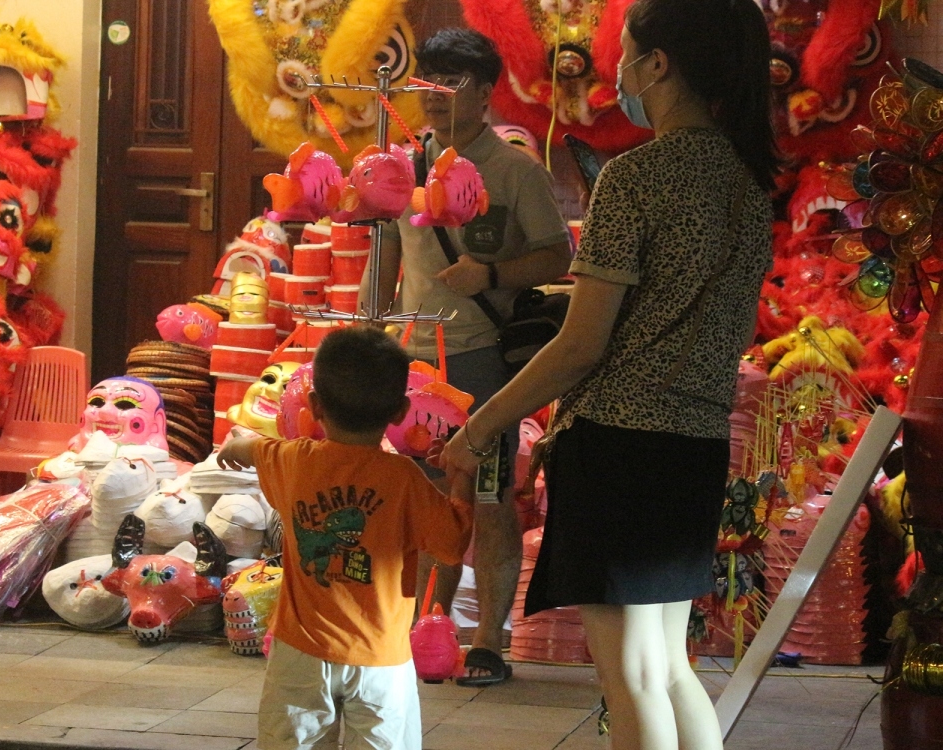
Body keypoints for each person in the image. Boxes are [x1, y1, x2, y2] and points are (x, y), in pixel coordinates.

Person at [432, 1, 778, 748]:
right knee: (664, 669)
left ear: (658, 66)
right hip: (695, 443)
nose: (612, 71)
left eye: (622, 53)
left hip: (619, 443)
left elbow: (582, 345)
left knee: (628, 677)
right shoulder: (749, 184)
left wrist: (480, 426)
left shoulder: (637, 177)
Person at [361, 27, 573, 686]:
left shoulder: (513, 169)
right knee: (425, 501)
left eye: (451, 85)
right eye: (427, 85)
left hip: (481, 359)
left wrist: (492, 274)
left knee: (486, 498)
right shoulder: (401, 167)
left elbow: (559, 256)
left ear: (484, 93)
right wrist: (375, 337)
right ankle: (431, 630)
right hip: (416, 360)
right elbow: (388, 263)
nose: (434, 99)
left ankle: (489, 642)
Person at [218, 327, 474, 750]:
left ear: (315, 406)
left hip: (300, 653)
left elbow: (250, 446)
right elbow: (450, 547)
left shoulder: (292, 460)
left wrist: (236, 442)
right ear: (400, 411)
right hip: (379, 660)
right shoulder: (404, 480)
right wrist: (461, 478)